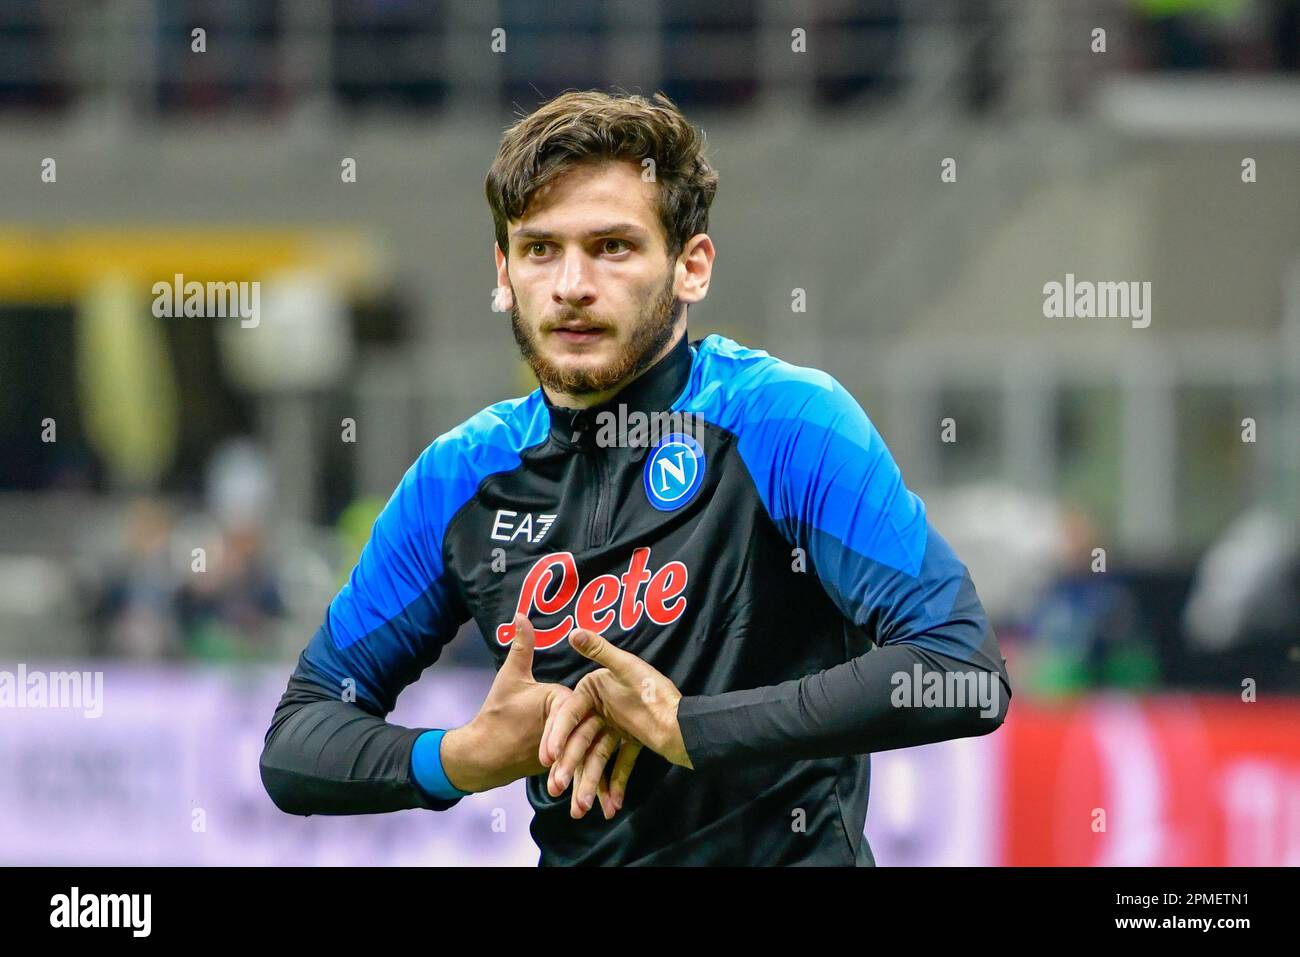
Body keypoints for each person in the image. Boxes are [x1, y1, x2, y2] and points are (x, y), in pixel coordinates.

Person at [260, 89, 1011, 865]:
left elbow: (963, 668)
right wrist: (461, 757)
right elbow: (296, 741)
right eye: (540, 249)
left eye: (612, 246)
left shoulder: (784, 422)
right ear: (502, 272)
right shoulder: (458, 476)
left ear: (691, 266)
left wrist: (690, 727)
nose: (572, 284)